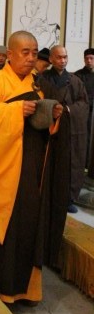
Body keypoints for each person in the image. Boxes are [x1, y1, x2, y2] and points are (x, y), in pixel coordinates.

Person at [0, 31, 65, 305]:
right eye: (25, 52)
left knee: (29, 224)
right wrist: (14, 111)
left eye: (34, 52)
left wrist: (54, 115)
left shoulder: (40, 83)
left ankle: (27, 290)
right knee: (5, 227)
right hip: (3, 166)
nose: (31, 58)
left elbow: (50, 121)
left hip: (33, 165)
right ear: (9, 55)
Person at [40, 45, 89, 213]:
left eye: (65, 57)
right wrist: (51, 109)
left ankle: (68, 198)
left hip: (69, 130)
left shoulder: (75, 81)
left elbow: (83, 104)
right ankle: (46, 197)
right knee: (48, 163)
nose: (63, 61)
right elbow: (36, 101)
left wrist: (67, 110)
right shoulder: (42, 79)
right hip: (48, 128)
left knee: (70, 163)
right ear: (51, 59)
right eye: (59, 57)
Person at [74, 48, 94, 171]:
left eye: (91, 58)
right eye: (87, 58)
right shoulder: (78, 75)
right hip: (84, 111)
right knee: (84, 137)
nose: (89, 61)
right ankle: (84, 164)